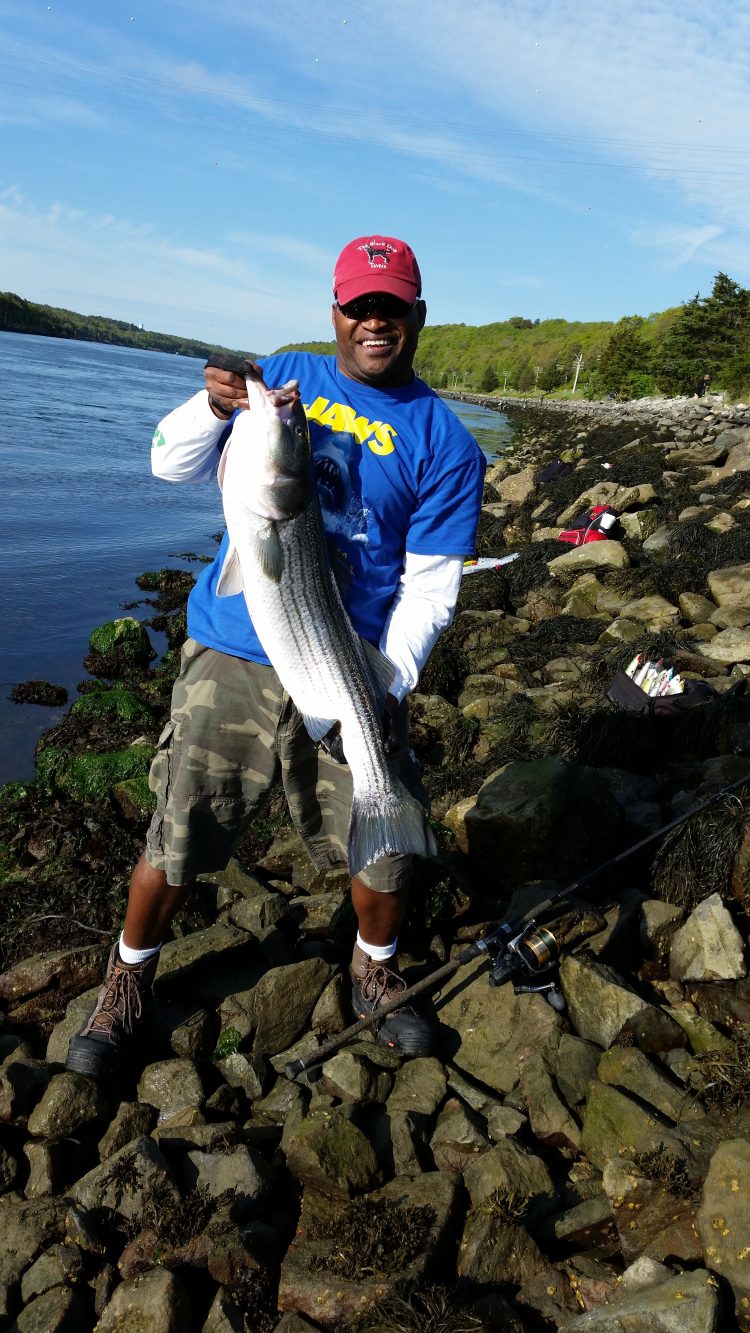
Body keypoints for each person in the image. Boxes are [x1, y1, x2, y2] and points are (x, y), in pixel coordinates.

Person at [66, 234, 486, 1080]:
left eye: (391, 308)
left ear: (417, 317)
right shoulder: (283, 377)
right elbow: (167, 461)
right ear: (334, 313)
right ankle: (127, 978)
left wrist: (383, 681)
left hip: (350, 663)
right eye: (359, 306)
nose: (375, 322)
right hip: (234, 651)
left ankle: (374, 965)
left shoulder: (447, 443)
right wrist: (219, 409)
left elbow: (432, 587)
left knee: (387, 836)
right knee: (180, 822)